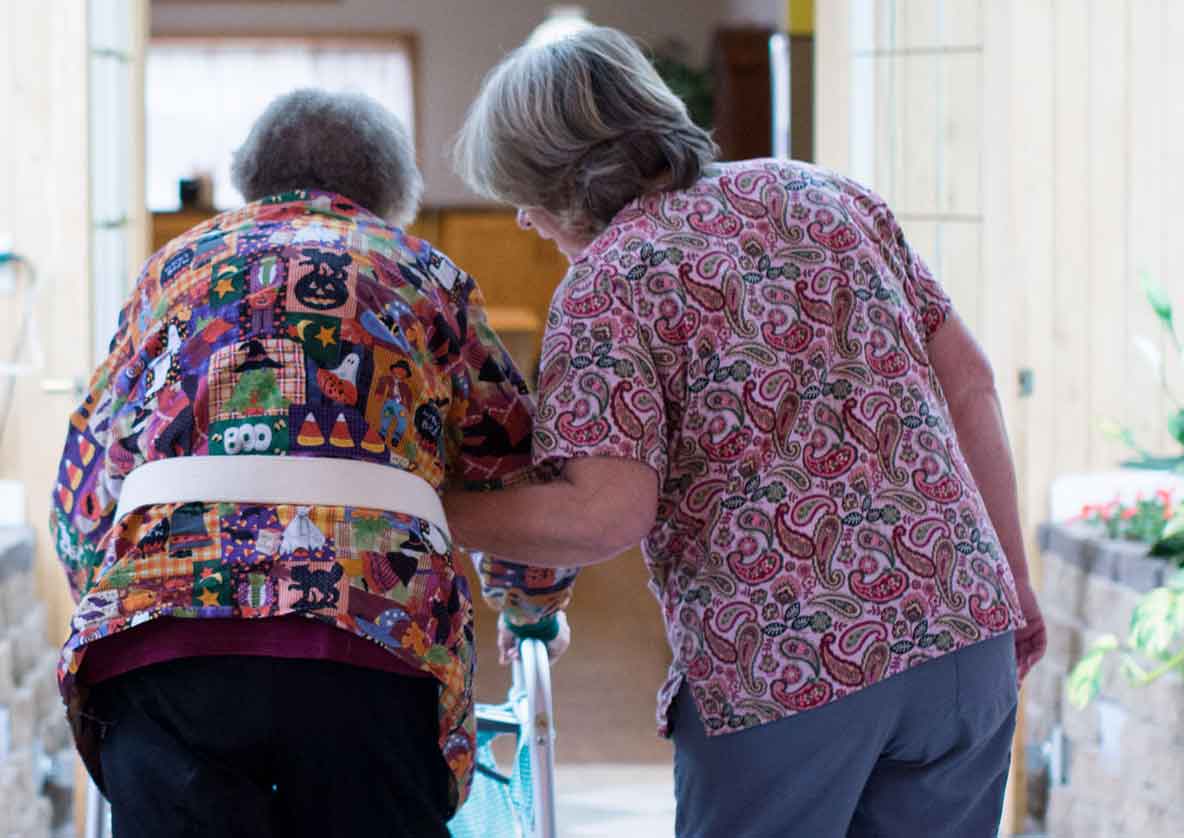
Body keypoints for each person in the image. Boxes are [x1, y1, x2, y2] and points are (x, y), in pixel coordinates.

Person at [448, 26, 1047, 838]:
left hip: (790, 667)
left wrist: (423, 509)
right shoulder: (832, 197)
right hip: (962, 632)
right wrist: (1010, 575)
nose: (521, 217)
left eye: (523, 187)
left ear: (565, 174)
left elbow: (602, 513)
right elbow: (971, 385)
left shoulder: (610, 280)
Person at [51, 88, 573, 838]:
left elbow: (83, 485)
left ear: (250, 180)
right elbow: (514, 466)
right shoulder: (425, 276)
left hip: (162, 644)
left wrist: (114, 602)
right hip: (370, 643)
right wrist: (530, 609)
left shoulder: (169, 272)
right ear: (392, 193)